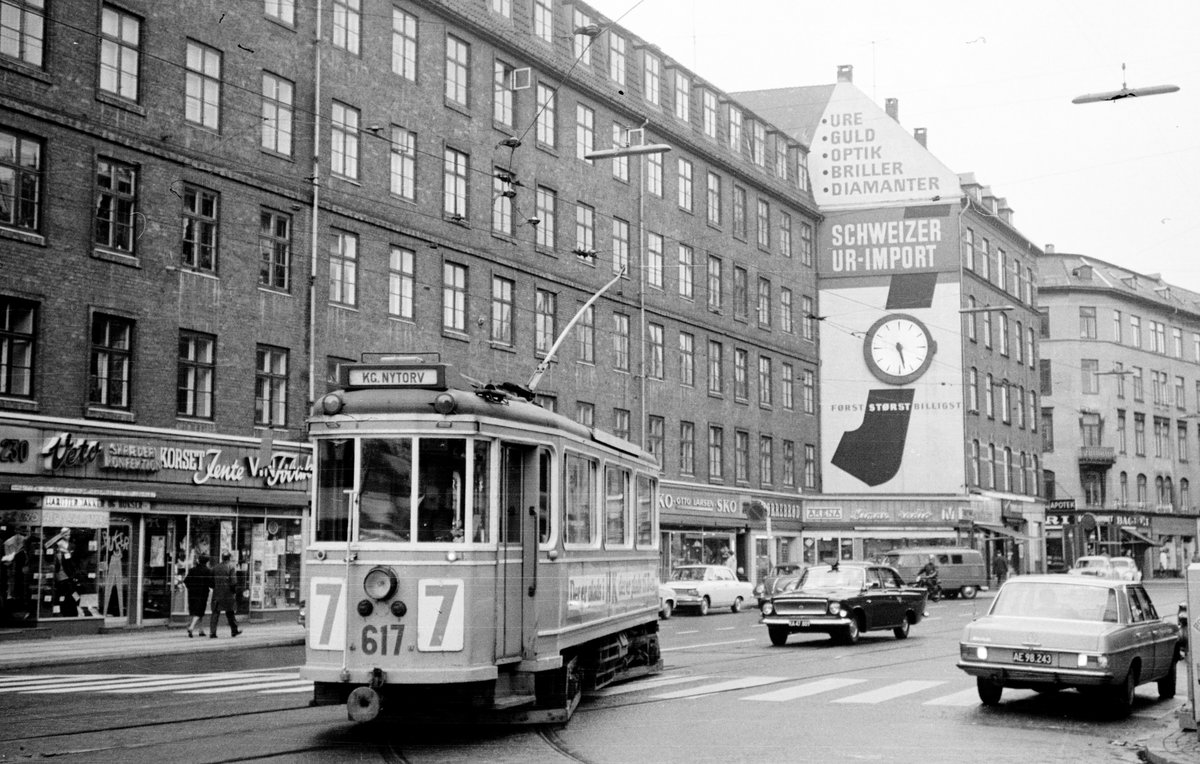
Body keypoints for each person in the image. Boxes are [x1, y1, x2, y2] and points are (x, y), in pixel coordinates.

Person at [209, 551, 240, 638]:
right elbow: (233, 582)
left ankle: (212, 632)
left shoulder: (215, 567)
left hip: (217, 593)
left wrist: (215, 587)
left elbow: (210, 581)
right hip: (228, 594)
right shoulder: (231, 567)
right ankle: (234, 630)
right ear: (229, 558)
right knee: (230, 612)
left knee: (215, 613)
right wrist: (234, 592)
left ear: (222, 558)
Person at [183, 555, 212, 638]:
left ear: (199, 561)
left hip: (192, 593)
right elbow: (210, 583)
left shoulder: (192, 570)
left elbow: (186, 581)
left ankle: (201, 630)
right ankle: (191, 627)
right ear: (206, 562)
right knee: (199, 611)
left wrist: (191, 588)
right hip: (202, 593)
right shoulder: (207, 571)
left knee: (197, 611)